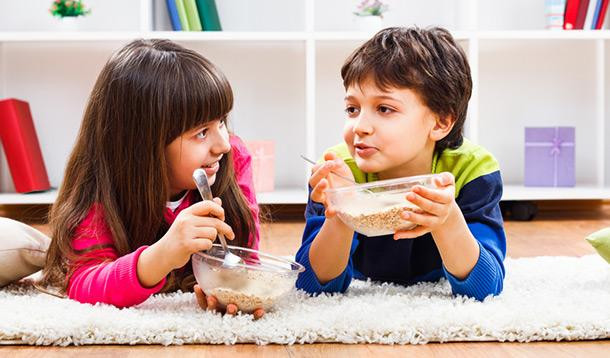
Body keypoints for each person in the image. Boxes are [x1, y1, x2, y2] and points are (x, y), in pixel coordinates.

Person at [40, 39, 264, 318]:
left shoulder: (234, 159)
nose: (223, 145)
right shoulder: (100, 186)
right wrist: (162, 255)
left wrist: (231, 286)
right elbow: (83, 282)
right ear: (142, 144)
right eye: (201, 132)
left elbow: (246, 260)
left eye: (221, 122)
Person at [296, 27, 506, 301]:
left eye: (384, 109)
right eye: (352, 109)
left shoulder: (472, 170)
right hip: (362, 275)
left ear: (441, 121)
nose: (359, 127)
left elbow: (485, 288)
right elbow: (311, 285)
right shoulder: (339, 171)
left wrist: (449, 220)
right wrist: (342, 211)